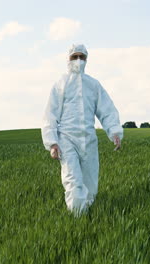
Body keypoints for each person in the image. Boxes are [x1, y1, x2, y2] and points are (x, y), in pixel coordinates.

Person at [41, 44, 123, 216]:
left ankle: (88, 215)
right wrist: (53, 142)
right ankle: (77, 220)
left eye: (82, 57)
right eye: (74, 57)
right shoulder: (61, 84)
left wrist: (114, 132)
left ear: (86, 60)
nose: (78, 60)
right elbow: (51, 113)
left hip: (89, 139)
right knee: (73, 180)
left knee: (90, 183)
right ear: (68, 59)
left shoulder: (93, 85)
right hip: (67, 139)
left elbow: (106, 109)